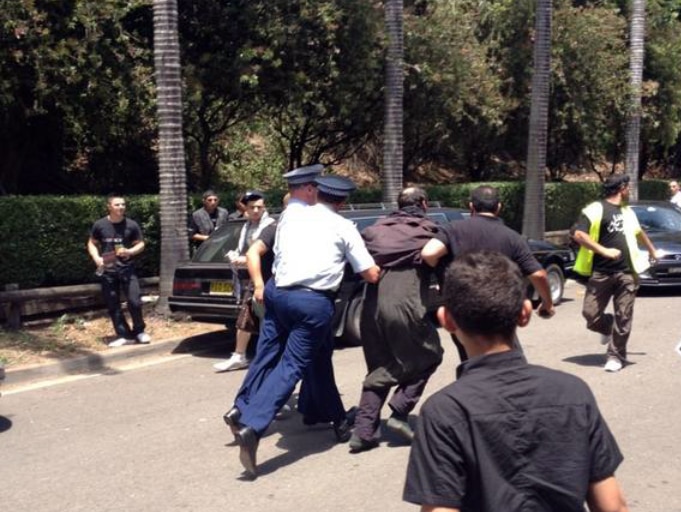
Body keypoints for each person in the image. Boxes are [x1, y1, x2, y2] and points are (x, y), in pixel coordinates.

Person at [403, 250, 629, 512]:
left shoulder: (444, 411)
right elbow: (613, 507)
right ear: (525, 313)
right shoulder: (573, 393)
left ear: (447, 320)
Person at [223, 171, 380, 478]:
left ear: (317, 193)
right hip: (312, 303)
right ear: (344, 201)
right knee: (292, 365)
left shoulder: (288, 218)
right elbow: (370, 273)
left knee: (297, 356)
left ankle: (329, 415)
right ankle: (253, 425)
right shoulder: (343, 226)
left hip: (278, 295)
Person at [348, 186, 443, 453]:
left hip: (370, 309)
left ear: (399, 204)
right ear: (424, 204)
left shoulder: (374, 230)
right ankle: (400, 410)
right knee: (430, 355)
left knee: (379, 365)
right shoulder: (428, 230)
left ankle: (363, 432)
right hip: (405, 306)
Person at [421, 185, 555, 361]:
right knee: (508, 360)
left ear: (471, 207)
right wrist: (547, 303)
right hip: (499, 306)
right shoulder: (512, 237)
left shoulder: (453, 229)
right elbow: (538, 275)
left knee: (470, 360)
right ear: (498, 207)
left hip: (463, 307)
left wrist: (444, 275)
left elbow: (428, 253)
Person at [572, 174, 658, 372]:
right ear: (622, 188)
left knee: (624, 316)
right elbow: (579, 234)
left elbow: (638, 232)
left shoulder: (628, 212)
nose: (629, 191)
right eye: (628, 188)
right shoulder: (595, 209)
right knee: (590, 314)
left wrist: (652, 250)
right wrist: (604, 251)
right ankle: (609, 327)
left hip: (627, 272)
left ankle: (616, 356)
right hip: (601, 271)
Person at [213, 191, 275, 372]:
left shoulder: (270, 227)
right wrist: (237, 256)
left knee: (267, 319)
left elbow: (259, 254)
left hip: (267, 279)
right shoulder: (247, 226)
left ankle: (268, 357)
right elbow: (246, 251)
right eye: (252, 207)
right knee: (246, 317)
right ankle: (239, 356)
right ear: (245, 209)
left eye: (260, 207)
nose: (256, 210)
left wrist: (244, 260)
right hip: (252, 279)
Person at [87, 194, 150, 347]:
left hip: (127, 269)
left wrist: (130, 251)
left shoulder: (131, 225)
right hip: (108, 270)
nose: (121, 207)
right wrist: (96, 258)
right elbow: (91, 243)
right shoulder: (100, 225)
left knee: (134, 301)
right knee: (113, 304)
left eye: (123, 204)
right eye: (117, 205)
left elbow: (140, 244)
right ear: (109, 207)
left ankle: (139, 331)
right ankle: (123, 335)